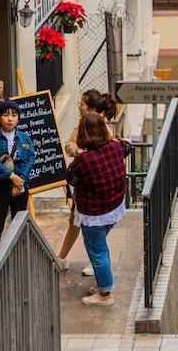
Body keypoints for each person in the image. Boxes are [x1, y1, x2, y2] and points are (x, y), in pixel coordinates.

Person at [67, 112, 128, 306]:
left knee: (97, 252)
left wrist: (77, 153)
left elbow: (71, 178)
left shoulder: (83, 161)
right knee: (102, 248)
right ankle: (103, 283)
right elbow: (127, 145)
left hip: (94, 214)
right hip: (114, 208)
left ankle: (105, 295)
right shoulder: (117, 147)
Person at [57, 89, 117, 276]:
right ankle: (62, 258)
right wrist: (79, 153)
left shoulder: (103, 128)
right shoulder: (82, 124)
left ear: (91, 108)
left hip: (95, 187)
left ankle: (97, 264)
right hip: (84, 184)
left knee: (94, 230)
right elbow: (68, 145)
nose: (79, 107)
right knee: (75, 221)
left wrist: (83, 155)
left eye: (81, 104)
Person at [0, 99, 36, 257]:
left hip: (20, 186)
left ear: (18, 118)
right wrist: (11, 176)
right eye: (6, 115)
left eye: (14, 115)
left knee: (18, 225)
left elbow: (30, 158)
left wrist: (20, 182)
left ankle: (18, 257)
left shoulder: (24, 138)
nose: (10, 119)